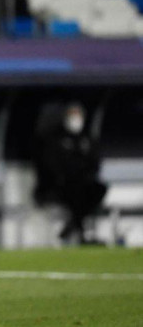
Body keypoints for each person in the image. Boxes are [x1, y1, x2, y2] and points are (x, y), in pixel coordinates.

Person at [32, 101, 105, 245]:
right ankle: (80, 231)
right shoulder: (56, 139)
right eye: (72, 115)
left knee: (97, 189)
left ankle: (73, 226)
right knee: (75, 191)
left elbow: (94, 163)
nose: (75, 119)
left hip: (83, 184)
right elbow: (52, 166)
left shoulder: (86, 139)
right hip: (60, 185)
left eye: (78, 115)